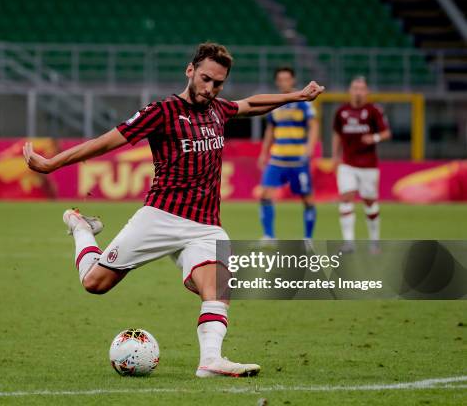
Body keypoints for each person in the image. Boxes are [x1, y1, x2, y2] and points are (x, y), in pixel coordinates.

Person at [23, 43, 324, 377]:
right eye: (206, 79)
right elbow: (107, 141)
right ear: (190, 70)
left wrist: (296, 95)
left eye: (218, 84)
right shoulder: (162, 111)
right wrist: (52, 163)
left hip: (206, 224)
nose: (210, 89)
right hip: (161, 217)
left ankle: (210, 361)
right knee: (95, 283)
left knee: (219, 285)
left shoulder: (217, 110)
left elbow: (250, 104)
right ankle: (81, 228)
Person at [254, 67, 319, 244]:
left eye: (287, 79)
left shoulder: (304, 102)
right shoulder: (275, 104)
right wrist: (263, 153)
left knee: (307, 198)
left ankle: (308, 238)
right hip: (277, 159)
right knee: (265, 194)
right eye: (280, 79)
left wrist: (310, 147)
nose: (284, 82)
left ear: (293, 81)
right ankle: (269, 236)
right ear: (277, 82)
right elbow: (270, 130)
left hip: (298, 159)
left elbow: (314, 125)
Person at [332, 76, 391, 253]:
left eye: (361, 88)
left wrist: (374, 137)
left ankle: (374, 241)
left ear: (367, 92)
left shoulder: (374, 111)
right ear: (350, 91)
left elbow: (386, 133)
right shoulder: (341, 111)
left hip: (368, 165)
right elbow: (337, 134)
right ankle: (349, 242)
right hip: (347, 163)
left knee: (370, 202)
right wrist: (335, 156)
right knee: (345, 199)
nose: (358, 92)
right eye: (355, 88)